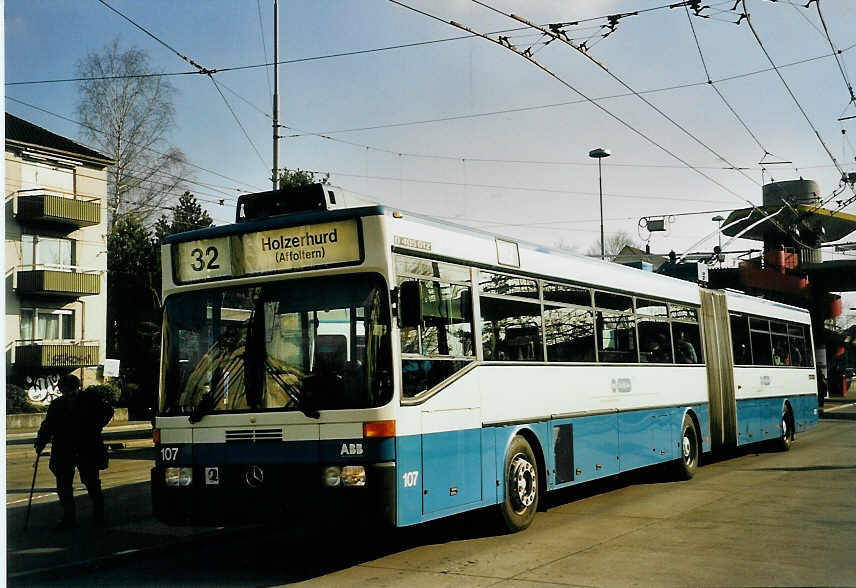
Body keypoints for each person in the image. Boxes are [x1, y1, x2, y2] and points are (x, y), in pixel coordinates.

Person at [34, 374, 114, 530]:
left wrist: (96, 427)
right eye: (65, 390)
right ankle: (69, 518)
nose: (69, 393)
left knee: (91, 483)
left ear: (77, 388)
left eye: (71, 390)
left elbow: (108, 411)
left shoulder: (90, 401)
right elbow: (48, 425)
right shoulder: (57, 405)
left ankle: (99, 517)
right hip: (64, 449)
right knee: (63, 485)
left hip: (87, 447)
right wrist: (40, 442)